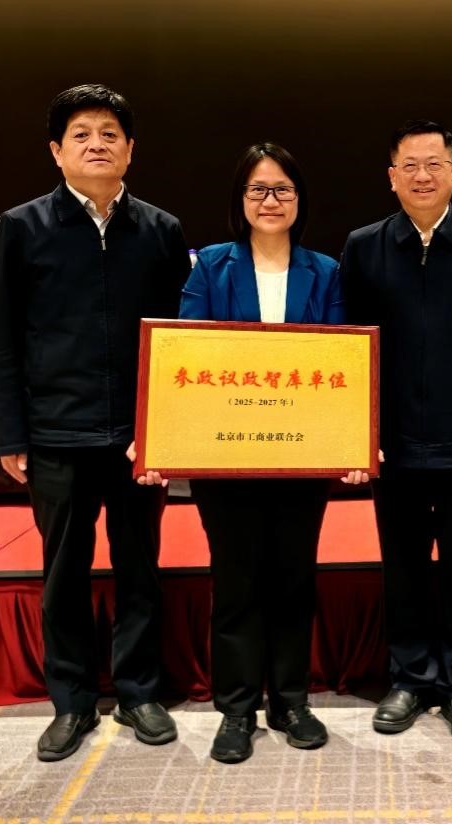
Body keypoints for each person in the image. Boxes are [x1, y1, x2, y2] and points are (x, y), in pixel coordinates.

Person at [0, 84, 190, 761]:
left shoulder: (160, 230)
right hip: (56, 433)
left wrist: (169, 431)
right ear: (56, 150)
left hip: (137, 437)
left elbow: (180, 340)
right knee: (63, 572)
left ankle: (138, 691)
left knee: (140, 568)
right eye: (81, 134)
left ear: (130, 149)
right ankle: (70, 702)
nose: (96, 144)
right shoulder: (21, 227)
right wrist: (11, 433)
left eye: (109, 134)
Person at [136, 143, 344, 764]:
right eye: (258, 189)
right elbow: (189, 356)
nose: (270, 200)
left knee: (293, 578)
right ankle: (236, 708)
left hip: (302, 457)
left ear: (299, 200)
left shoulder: (326, 271)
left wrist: (351, 441)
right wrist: (167, 436)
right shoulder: (209, 268)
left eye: (283, 189)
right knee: (235, 580)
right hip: (225, 456)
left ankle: (291, 701)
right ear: (240, 200)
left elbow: (342, 362)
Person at [339, 121, 452, 745]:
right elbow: (347, 348)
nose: (423, 176)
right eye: (410, 166)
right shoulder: (364, 246)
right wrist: (356, 432)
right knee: (404, 563)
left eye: (434, 163)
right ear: (391, 177)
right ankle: (411, 678)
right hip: (391, 439)